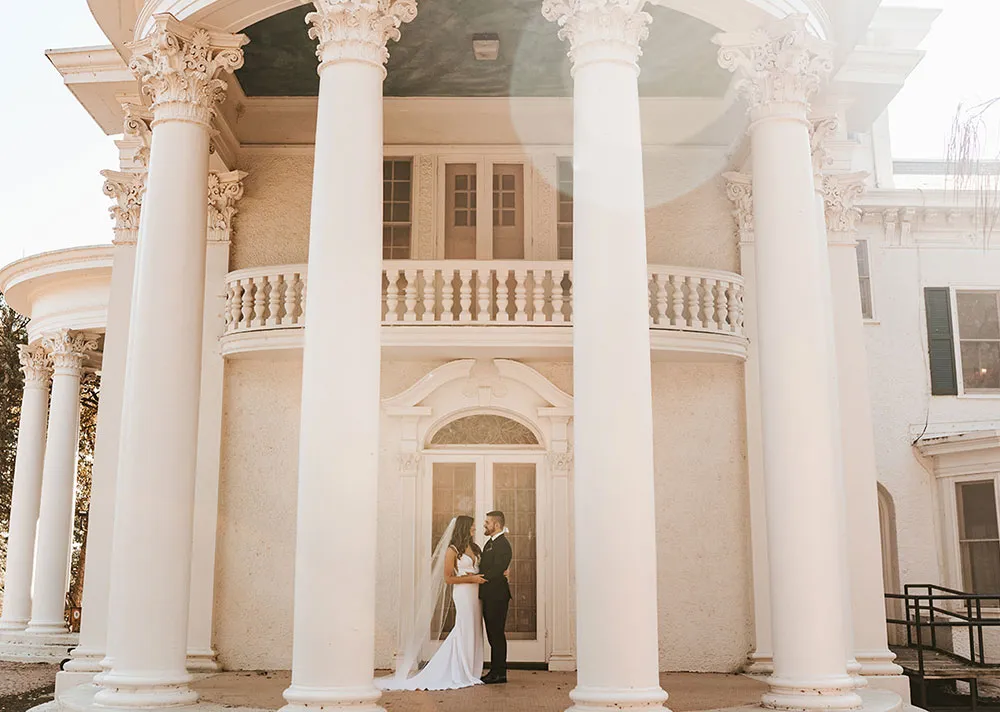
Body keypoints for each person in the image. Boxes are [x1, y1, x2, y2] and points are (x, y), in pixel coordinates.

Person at [377, 515, 486, 690]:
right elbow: (448, 578)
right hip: (463, 594)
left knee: (474, 629)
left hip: (476, 595)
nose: (475, 528)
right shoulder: (452, 550)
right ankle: (459, 669)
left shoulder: (474, 548)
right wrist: (471, 579)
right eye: (472, 526)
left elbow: (479, 569)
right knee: (464, 628)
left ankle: (472, 669)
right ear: (464, 527)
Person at [479, 510, 512, 684]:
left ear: (496, 525)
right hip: (490, 595)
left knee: (496, 634)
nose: (484, 525)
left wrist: (479, 578)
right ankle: (496, 670)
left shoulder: (503, 545)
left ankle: (499, 673)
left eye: (487, 522)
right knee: (492, 634)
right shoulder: (490, 543)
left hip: (497, 596)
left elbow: (498, 569)